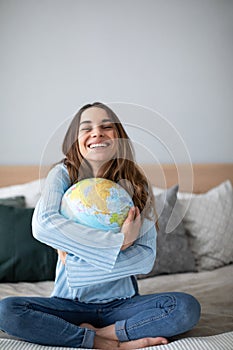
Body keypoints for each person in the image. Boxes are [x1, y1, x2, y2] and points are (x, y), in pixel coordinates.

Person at [0, 102, 201, 349]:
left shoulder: (138, 185)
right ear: (75, 140)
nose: (97, 133)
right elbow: (43, 225)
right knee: (6, 310)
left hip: (123, 304)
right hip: (69, 303)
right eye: (87, 128)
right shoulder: (62, 174)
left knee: (185, 308)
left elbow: (145, 260)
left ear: (119, 137)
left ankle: (104, 333)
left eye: (107, 126)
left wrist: (75, 259)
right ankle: (106, 343)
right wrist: (121, 242)